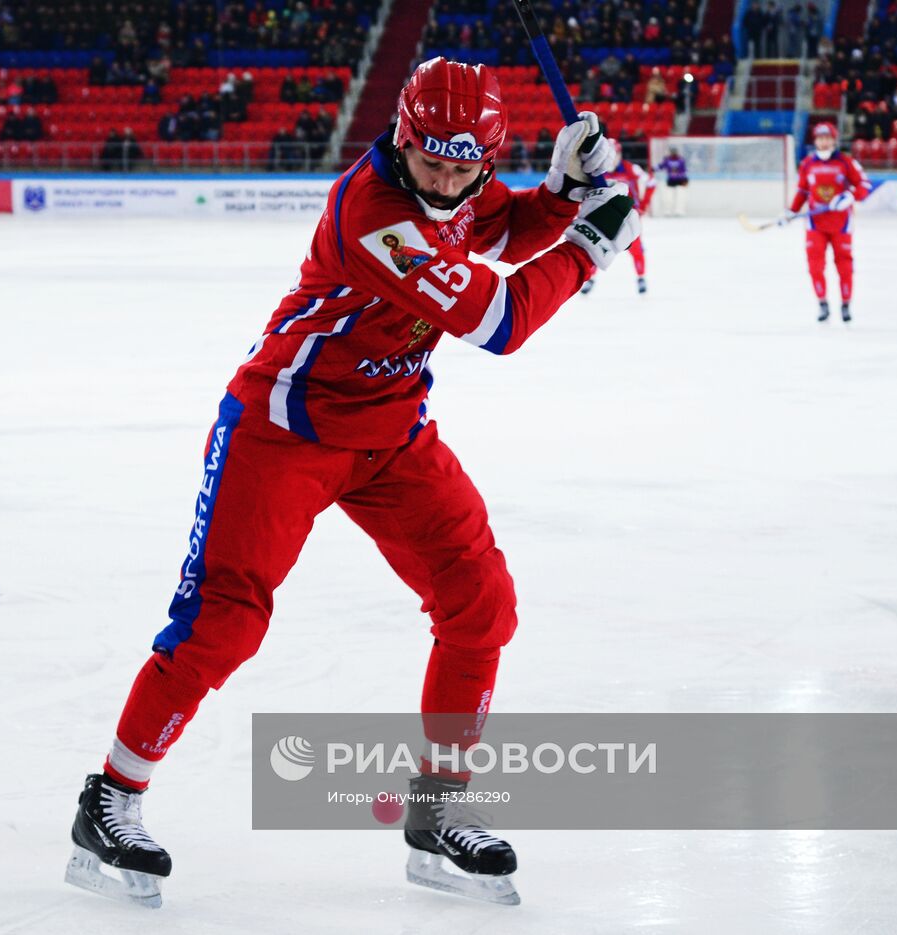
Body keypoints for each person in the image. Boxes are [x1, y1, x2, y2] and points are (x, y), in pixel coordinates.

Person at [64, 57, 637, 909]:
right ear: (402, 141)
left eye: (462, 165)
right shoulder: (376, 214)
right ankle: (110, 798)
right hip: (283, 432)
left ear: (484, 155)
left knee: (481, 600)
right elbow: (500, 320)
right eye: (430, 161)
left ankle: (439, 807)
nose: (445, 180)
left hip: (391, 431)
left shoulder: (458, 179)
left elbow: (500, 232)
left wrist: (559, 190)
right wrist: (591, 243)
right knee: (226, 619)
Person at [779, 122, 872, 322]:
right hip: (815, 224)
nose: (824, 142)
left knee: (844, 266)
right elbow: (802, 191)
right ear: (815, 140)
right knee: (815, 266)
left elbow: (864, 185)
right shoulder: (807, 164)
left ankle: (846, 304)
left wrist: (849, 196)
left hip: (841, 224)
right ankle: (822, 304)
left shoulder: (846, 162)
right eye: (820, 138)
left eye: (827, 138)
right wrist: (791, 212)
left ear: (834, 140)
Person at [580, 143, 655, 295]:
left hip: (629, 216)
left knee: (636, 248)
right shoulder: (597, 172)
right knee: (595, 247)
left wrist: (644, 204)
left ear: (620, 155)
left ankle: (641, 278)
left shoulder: (631, 168)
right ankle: (591, 279)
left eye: (615, 155)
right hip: (606, 217)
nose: (612, 159)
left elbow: (652, 182)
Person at [656, 145, 688, 216]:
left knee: (680, 195)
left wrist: (684, 179)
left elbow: (684, 170)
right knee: (668, 196)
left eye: (674, 152)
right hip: (671, 180)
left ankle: (679, 210)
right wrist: (654, 168)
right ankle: (668, 210)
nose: (673, 153)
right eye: (672, 152)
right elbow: (661, 166)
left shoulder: (681, 160)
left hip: (680, 180)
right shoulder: (667, 159)